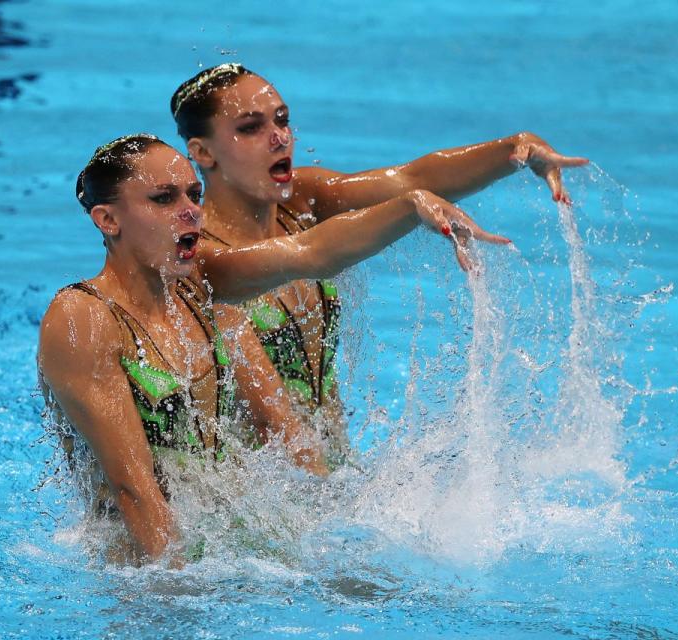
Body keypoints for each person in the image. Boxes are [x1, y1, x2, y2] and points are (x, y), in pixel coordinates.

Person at [38, 133, 507, 562]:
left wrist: (409, 208)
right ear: (108, 219)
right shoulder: (83, 318)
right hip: (141, 570)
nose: (190, 210)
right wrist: (177, 593)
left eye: (193, 195)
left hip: (223, 540)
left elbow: (309, 252)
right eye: (163, 198)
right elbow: (133, 489)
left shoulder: (197, 285)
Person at [169, 63, 589, 461]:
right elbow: (313, 253)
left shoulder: (303, 200)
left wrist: (516, 150)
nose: (279, 137)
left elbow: (412, 178)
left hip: (328, 469)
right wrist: (408, 209)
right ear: (202, 153)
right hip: (258, 498)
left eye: (282, 119)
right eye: (250, 128)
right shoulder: (196, 256)